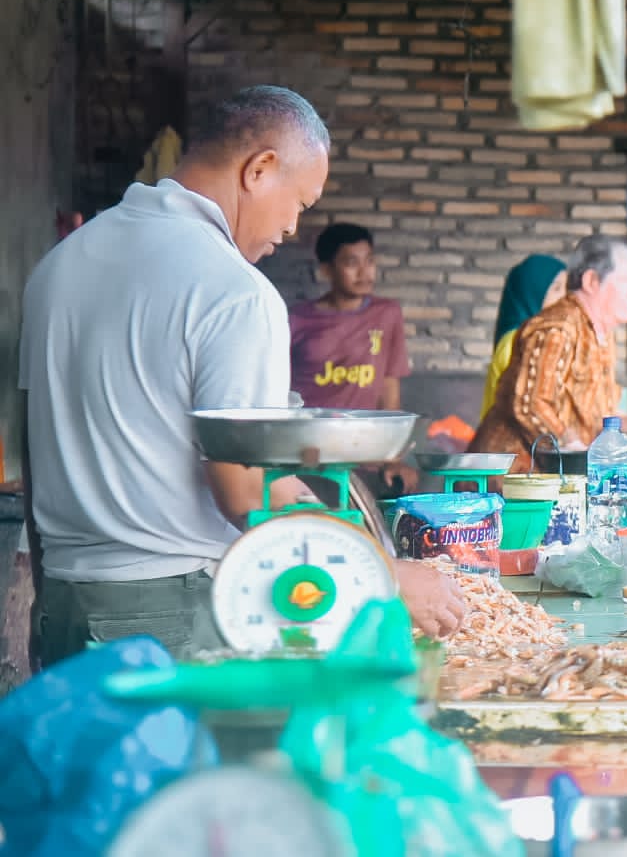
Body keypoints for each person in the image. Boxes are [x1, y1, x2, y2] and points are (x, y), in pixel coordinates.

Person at [19, 85, 466, 666]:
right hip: (169, 613)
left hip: (62, 601)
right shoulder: (235, 290)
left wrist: (47, 596)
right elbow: (249, 491)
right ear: (259, 169)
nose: (291, 228)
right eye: (299, 203)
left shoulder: (60, 264)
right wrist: (385, 572)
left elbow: (33, 449)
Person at [471, 235, 627, 468]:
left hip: (555, 478)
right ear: (591, 281)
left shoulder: (601, 335)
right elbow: (531, 405)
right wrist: (575, 449)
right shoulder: (557, 328)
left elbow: (588, 416)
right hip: (511, 479)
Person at [289, 222, 416, 490]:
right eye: (351, 262)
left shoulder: (387, 313)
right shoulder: (297, 319)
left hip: (365, 456)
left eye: (369, 261)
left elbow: (389, 386)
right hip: (308, 455)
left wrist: (393, 458)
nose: (364, 272)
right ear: (327, 269)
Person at [481, 254, 568, 421]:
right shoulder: (516, 342)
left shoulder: (539, 338)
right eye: (557, 289)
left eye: (566, 288)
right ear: (533, 294)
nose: (565, 298)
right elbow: (529, 410)